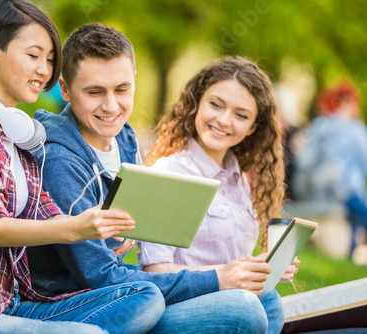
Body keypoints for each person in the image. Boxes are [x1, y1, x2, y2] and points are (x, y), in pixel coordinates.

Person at [0, 1, 165, 333]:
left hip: (15, 304)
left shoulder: (21, 136)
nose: (44, 70)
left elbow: (49, 216)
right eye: (33, 55)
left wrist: (103, 229)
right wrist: (79, 228)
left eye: (50, 60)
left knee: (144, 295)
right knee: (88, 332)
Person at [27, 23, 271, 333]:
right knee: (238, 309)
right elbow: (104, 277)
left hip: (115, 290)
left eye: (122, 89)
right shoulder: (61, 162)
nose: (111, 106)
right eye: (94, 92)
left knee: (268, 300)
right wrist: (218, 279)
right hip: (72, 303)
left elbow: (125, 244)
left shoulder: (124, 136)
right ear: (64, 89)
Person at [137, 56, 296, 333]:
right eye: (216, 104)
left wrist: (264, 269)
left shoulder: (241, 182)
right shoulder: (171, 172)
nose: (223, 120)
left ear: (253, 127)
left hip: (229, 302)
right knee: (245, 307)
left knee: (270, 300)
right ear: (197, 102)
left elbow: (238, 267)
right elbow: (154, 273)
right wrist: (229, 275)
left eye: (241, 115)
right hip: (176, 308)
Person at [292, 80, 367, 255]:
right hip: (343, 192)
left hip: (311, 192)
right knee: (360, 207)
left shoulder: (318, 125)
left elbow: (302, 161)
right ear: (348, 103)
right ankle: (351, 254)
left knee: (355, 216)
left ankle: (351, 254)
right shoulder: (354, 128)